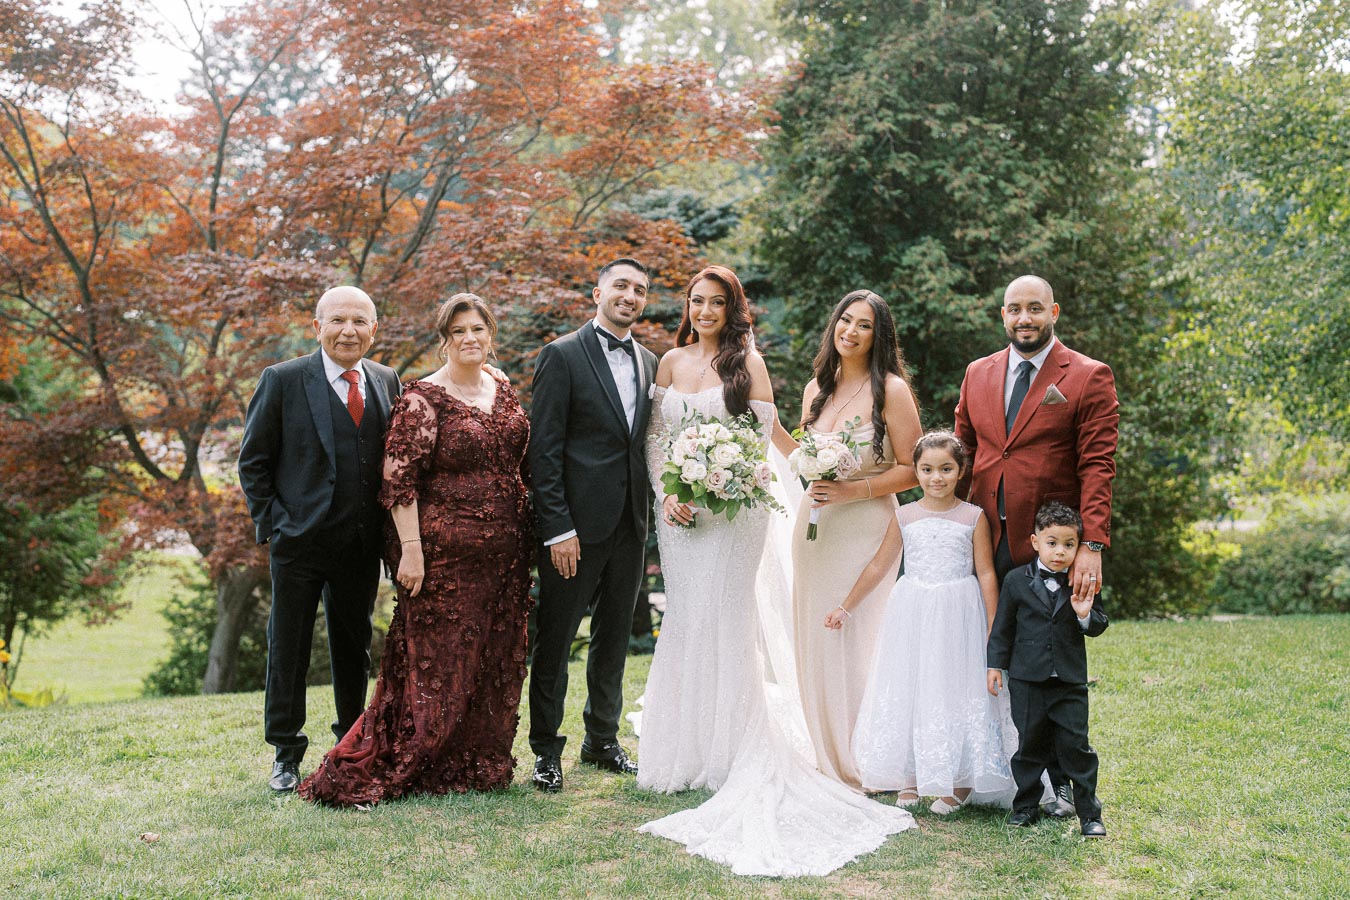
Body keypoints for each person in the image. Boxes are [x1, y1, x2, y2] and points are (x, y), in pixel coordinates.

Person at [636, 265, 915, 877]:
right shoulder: (669, 363)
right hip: (682, 515)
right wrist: (669, 492)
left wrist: (730, 483)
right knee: (686, 619)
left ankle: (740, 748)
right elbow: (658, 440)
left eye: (717, 302)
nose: (705, 310)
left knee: (732, 621)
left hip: (735, 513)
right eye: (696, 301)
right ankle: (683, 750)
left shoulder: (750, 366)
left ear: (733, 309)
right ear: (687, 305)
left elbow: (758, 441)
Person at [297, 294, 533, 806]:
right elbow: (397, 480)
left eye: (478, 329)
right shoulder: (421, 397)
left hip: (507, 556)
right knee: (440, 661)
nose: (469, 339)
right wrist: (412, 551)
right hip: (444, 557)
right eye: (458, 332)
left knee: (494, 657)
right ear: (443, 340)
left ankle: (477, 759)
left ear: (491, 334)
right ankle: (422, 756)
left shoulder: (504, 386)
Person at [954, 273, 1118, 816]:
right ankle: (985, 764)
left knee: (1048, 665)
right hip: (983, 536)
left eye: (1034, 309)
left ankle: (1061, 782)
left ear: (1054, 312)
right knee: (988, 648)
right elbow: (965, 449)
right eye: (1013, 310)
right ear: (1002, 315)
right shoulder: (978, 373)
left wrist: (1090, 544)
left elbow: (1097, 464)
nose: (1023, 318)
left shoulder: (1088, 375)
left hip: (1049, 544)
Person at [239, 285, 402, 792]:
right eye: (337, 321)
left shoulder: (386, 380)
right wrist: (276, 524)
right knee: (287, 646)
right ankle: (286, 753)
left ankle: (350, 743)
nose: (348, 330)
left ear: (374, 329)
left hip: (360, 545)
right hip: (300, 544)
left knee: (354, 647)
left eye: (359, 321)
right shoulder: (283, 380)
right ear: (317, 327)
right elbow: (253, 461)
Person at [827, 431, 1016, 814]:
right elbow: (881, 564)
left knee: (957, 688)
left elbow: (986, 573)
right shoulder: (905, 515)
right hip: (913, 612)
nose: (936, 478)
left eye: (946, 469)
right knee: (912, 686)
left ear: (961, 471)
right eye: (927, 469)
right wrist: (846, 606)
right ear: (915, 471)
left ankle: (961, 782)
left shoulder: (973, 517)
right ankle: (911, 776)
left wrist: (994, 627)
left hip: (958, 614)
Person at [527, 258, 659, 793]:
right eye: (621, 286)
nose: (630, 295)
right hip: (574, 531)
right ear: (598, 291)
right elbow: (544, 450)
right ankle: (545, 750)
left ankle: (601, 740)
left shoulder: (651, 361)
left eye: (640, 289)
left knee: (612, 641)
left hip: (631, 524)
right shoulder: (560, 356)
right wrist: (557, 528)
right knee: (556, 640)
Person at [790, 290, 922, 790]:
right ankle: (825, 746)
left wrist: (853, 489)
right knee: (817, 636)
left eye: (863, 325)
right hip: (815, 529)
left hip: (868, 525)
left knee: (860, 635)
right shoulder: (814, 390)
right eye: (845, 320)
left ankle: (865, 752)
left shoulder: (891, 389)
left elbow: (915, 469)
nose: (851, 331)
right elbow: (802, 455)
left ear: (878, 335)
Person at [987, 501, 1109, 838]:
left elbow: (1099, 623)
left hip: (1069, 682)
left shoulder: (1082, 580)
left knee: (1077, 748)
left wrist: (1084, 613)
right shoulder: (1015, 581)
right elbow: (1003, 628)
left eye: (1069, 544)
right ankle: (1026, 807)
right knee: (1029, 747)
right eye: (1052, 543)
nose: (1060, 552)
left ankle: (1089, 814)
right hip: (1027, 680)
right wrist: (995, 665)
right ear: (1035, 541)